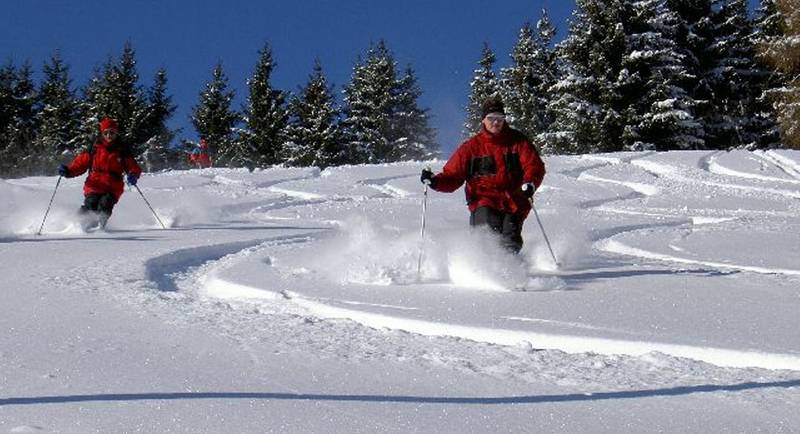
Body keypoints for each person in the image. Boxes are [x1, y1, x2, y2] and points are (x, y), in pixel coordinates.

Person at [420, 96, 546, 253]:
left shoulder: (518, 141)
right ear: (483, 121)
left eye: (500, 118)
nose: (496, 122)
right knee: (488, 235)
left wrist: (530, 182)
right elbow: (453, 175)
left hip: (514, 200)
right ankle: (483, 272)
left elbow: (534, 165)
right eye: (491, 118)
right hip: (483, 200)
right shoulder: (471, 148)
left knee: (510, 240)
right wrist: (434, 181)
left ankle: (510, 271)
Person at [58, 117, 142, 229]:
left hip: (113, 186)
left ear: (116, 133)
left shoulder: (122, 150)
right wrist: (68, 171)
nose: (109, 135)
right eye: (106, 133)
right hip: (94, 184)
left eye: (112, 132)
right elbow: (80, 164)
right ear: (102, 133)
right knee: (91, 204)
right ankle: (77, 225)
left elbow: (132, 166)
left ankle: (99, 227)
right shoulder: (94, 148)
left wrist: (133, 175)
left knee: (105, 204)